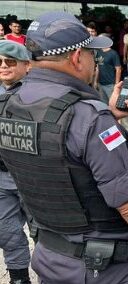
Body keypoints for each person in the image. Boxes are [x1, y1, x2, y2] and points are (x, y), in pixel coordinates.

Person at [5, 12, 128, 283]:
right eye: (91, 54)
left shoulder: (8, 105)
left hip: (49, 258)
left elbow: (50, 154)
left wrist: (106, 116)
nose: (94, 61)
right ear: (75, 57)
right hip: (101, 269)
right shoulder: (89, 119)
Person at [0, 40, 31, 284]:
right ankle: (19, 278)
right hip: (1, 178)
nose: (3, 66)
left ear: (26, 65)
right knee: (8, 233)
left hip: (33, 177)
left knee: (46, 234)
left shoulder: (39, 92)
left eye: (10, 61)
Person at [95, 33, 122, 103]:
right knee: (103, 104)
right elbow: (98, 67)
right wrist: (95, 81)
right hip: (101, 84)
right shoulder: (99, 52)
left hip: (110, 84)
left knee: (112, 104)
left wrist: (116, 85)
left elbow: (118, 69)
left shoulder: (113, 53)